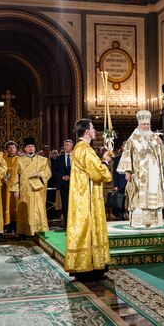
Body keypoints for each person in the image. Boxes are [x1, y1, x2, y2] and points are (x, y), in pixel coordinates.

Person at [64, 119, 112, 280]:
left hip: (83, 195)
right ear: (86, 131)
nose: (95, 131)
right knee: (87, 229)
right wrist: (105, 160)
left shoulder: (80, 148)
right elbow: (99, 173)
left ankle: (91, 267)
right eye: (92, 128)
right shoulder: (84, 149)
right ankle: (88, 269)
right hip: (87, 198)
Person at [117, 110, 164, 227]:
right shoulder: (133, 139)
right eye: (144, 124)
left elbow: (163, 154)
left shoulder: (154, 137)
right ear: (138, 125)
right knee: (139, 197)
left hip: (154, 173)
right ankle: (139, 222)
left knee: (153, 196)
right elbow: (127, 155)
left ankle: (154, 221)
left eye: (148, 124)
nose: (146, 126)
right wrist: (128, 171)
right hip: (139, 174)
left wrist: (160, 144)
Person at [10, 137, 51, 237]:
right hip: (25, 190)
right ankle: (25, 231)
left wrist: (40, 174)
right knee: (25, 210)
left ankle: (39, 230)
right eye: (28, 147)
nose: (31, 148)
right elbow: (15, 176)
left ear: (35, 148)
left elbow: (48, 173)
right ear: (25, 148)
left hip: (38, 190)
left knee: (39, 209)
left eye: (32, 146)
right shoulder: (19, 160)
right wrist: (15, 190)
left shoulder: (42, 160)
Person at [53, 139, 74, 225]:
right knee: (65, 205)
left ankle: (75, 223)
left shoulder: (76, 158)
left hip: (75, 184)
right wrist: (62, 176)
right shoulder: (59, 158)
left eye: (68, 145)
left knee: (74, 204)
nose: (65, 147)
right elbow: (54, 171)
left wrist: (71, 177)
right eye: (65, 145)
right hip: (63, 185)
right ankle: (67, 223)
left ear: (72, 146)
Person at [2, 141, 18, 233]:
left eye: (13, 147)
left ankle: (15, 225)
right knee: (6, 204)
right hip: (5, 186)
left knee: (15, 205)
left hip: (15, 186)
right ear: (7, 149)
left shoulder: (20, 159)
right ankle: (6, 225)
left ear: (16, 149)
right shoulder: (3, 159)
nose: (11, 149)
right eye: (10, 148)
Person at [111, 141, 128, 220]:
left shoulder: (133, 157)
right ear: (122, 147)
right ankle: (121, 218)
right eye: (125, 146)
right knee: (120, 201)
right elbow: (115, 172)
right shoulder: (117, 158)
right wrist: (115, 185)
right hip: (121, 183)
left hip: (131, 183)